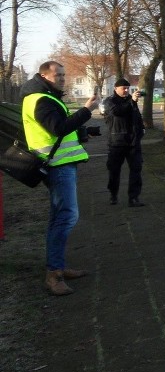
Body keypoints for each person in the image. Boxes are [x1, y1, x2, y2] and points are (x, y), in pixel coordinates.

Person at [21, 61, 99, 296]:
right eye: (58, 74)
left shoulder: (46, 96)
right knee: (67, 216)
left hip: (60, 164)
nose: (63, 78)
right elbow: (58, 128)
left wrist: (84, 132)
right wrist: (86, 111)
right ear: (44, 75)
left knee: (59, 217)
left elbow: (58, 129)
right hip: (57, 166)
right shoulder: (40, 99)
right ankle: (54, 274)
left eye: (64, 74)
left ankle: (58, 267)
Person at [103, 78, 145, 207]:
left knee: (136, 169)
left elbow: (136, 117)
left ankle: (134, 197)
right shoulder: (110, 101)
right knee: (114, 171)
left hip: (133, 142)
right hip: (117, 143)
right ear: (116, 89)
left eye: (127, 88)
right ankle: (113, 194)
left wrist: (141, 129)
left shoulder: (131, 101)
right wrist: (132, 101)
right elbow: (117, 112)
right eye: (123, 88)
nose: (126, 90)